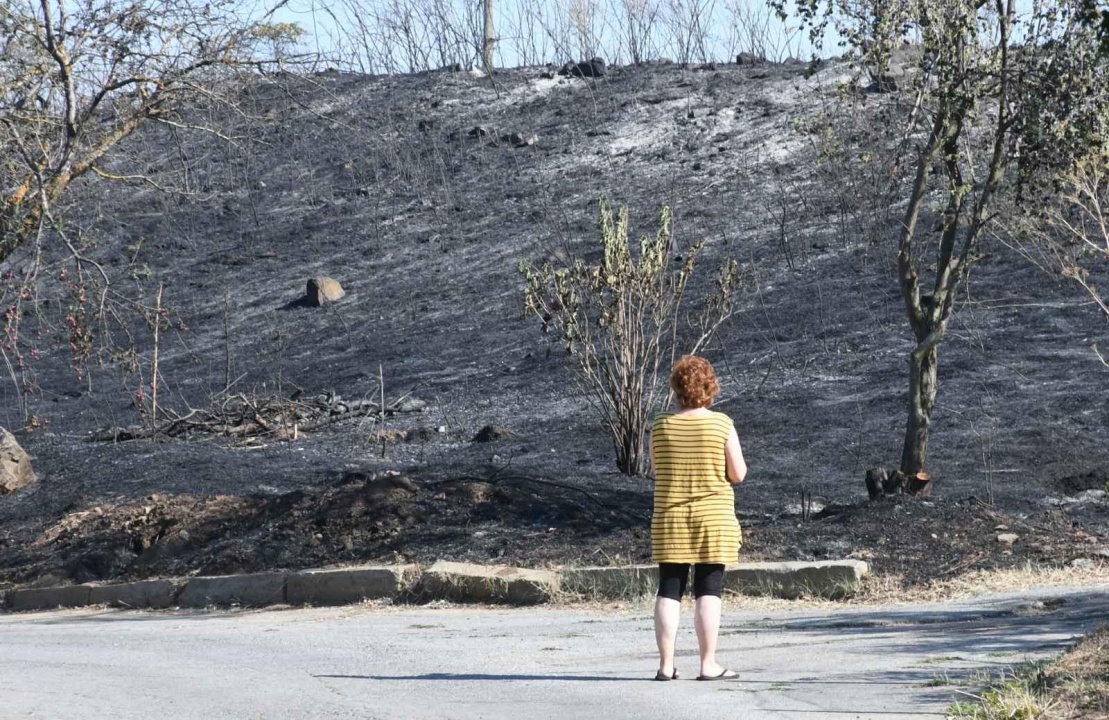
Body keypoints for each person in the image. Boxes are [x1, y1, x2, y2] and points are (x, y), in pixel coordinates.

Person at [649, 355, 746, 681]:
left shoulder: (660, 425)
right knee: (709, 589)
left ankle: (665, 665)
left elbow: (657, 470)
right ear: (709, 386)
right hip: (713, 518)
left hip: (670, 517)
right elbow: (739, 473)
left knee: (668, 589)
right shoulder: (722, 424)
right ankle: (708, 664)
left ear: (677, 387)